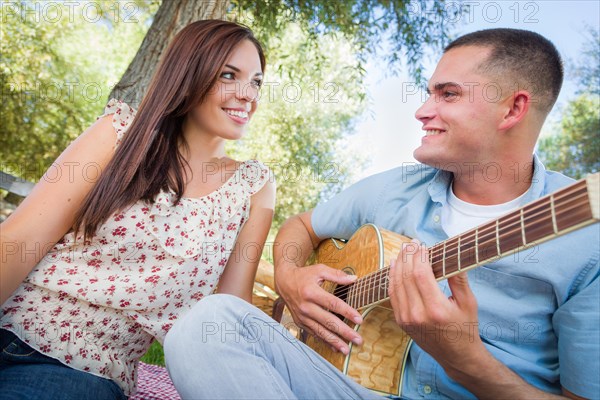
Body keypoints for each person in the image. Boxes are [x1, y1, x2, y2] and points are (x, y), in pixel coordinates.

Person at [164, 28, 599, 399]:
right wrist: (290, 277)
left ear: (514, 109)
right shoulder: (395, 188)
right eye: (430, 92)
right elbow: (300, 227)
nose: (422, 110)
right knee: (206, 323)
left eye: (447, 94)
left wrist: (467, 361)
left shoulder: (585, 241)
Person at [0, 20, 275, 399]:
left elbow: (226, 316)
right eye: (230, 75)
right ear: (189, 72)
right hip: (11, 326)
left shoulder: (252, 190)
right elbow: (20, 240)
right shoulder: (119, 134)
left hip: (82, 372)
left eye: (257, 82)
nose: (248, 94)